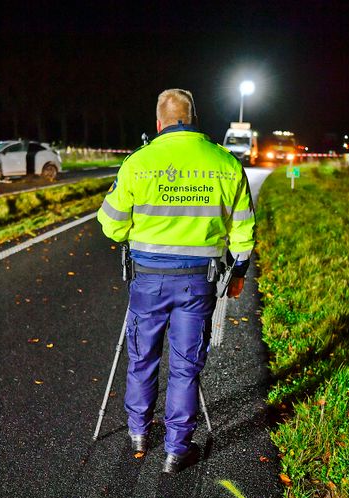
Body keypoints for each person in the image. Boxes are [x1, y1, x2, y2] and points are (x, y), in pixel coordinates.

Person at [97, 88, 255, 473]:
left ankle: (138, 432)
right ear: (194, 118)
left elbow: (112, 227)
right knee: (186, 367)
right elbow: (244, 233)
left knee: (142, 358)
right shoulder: (227, 164)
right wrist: (237, 274)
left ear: (159, 122)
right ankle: (176, 449)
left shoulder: (138, 163)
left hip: (148, 282)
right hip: (196, 284)